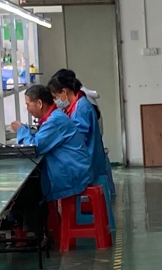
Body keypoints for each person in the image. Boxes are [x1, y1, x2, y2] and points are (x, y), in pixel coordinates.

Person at [30, 68, 115, 228]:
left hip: (87, 164)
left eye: (55, 97)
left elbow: (78, 138)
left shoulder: (81, 108)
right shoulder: (77, 105)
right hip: (86, 160)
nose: (56, 101)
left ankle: (50, 227)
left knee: (45, 183)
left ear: (64, 92)